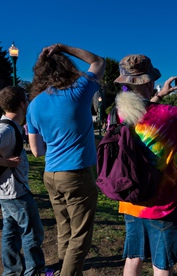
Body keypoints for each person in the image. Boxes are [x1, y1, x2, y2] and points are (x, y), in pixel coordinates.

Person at [112, 54, 177, 275]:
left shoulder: (117, 113)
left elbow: (142, 110)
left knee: (133, 258)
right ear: (149, 82)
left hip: (130, 196)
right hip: (160, 203)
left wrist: (160, 95)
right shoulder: (166, 116)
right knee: (161, 264)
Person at [27, 43, 105, 275]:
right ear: (67, 69)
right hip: (76, 174)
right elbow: (98, 62)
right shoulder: (77, 91)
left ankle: (69, 270)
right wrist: (63, 47)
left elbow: (37, 151)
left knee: (65, 230)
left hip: (51, 174)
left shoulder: (33, 105)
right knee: (80, 237)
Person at [0, 86, 46, 275]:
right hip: (16, 192)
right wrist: (5, 161)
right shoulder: (7, 129)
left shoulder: (7, 127)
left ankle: (12, 271)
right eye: (27, 99)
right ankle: (33, 271)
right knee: (33, 233)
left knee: (10, 233)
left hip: (7, 192)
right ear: (22, 104)